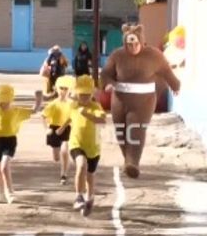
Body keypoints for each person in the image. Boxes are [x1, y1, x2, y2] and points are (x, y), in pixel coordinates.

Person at [100, 23, 181, 179]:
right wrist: (108, 83)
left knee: (135, 127)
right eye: (129, 44)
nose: (133, 47)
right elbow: (106, 73)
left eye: (136, 43)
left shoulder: (154, 55)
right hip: (119, 99)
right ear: (125, 43)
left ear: (141, 41)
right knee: (121, 131)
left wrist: (175, 85)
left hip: (144, 100)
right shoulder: (117, 55)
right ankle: (128, 160)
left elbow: (166, 71)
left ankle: (133, 162)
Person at [0, 84, 42, 204]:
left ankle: (10, 192)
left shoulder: (16, 111)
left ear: (11, 99)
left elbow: (34, 111)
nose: (4, 103)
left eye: (7, 100)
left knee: (4, 166)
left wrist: (38, 100)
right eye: (2, 101)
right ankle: (0, 192)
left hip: (10, 141)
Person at [56, 75, 107, 216]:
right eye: (81, 94)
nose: (84, 97)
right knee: (81, 164)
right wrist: (62, 127)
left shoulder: (95, 106)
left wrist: (87, 115)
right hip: (76, 143)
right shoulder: (74, 106)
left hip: (93, 146)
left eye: (87, 95)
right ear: (77, 94)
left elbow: (102, 121)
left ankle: (90, 198)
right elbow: (70, 116)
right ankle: (79, 196)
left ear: (91, 94)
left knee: (90, 176)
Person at [42, 75, 76, 185]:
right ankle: (61, 162)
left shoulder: (72, 104)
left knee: (65, 150)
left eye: (66, 88)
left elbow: (73, 117)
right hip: (54, 128)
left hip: (67, 128)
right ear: (56, 89)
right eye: (61, 88)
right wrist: (47, 128)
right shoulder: (53, 104)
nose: (63, 91)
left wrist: (64, 127)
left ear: (69, 90)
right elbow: (43, 116)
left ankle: (64, 175)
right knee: (56, 157)